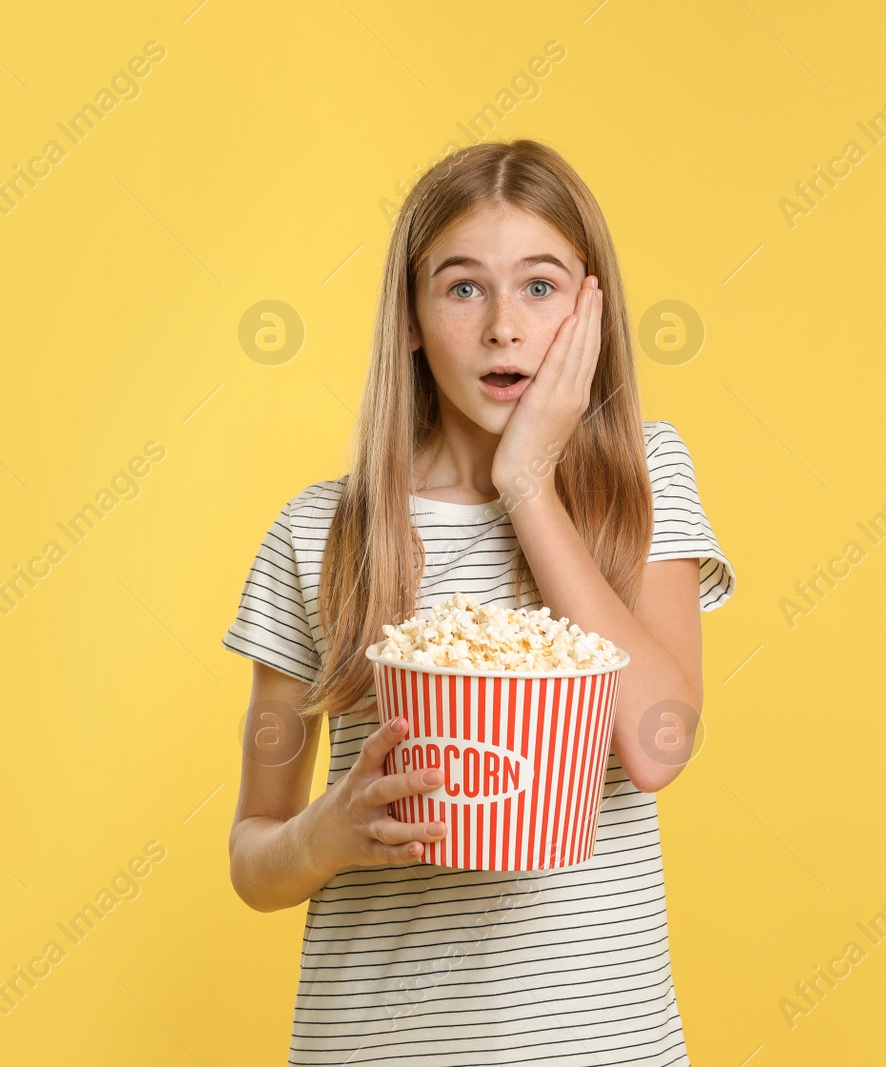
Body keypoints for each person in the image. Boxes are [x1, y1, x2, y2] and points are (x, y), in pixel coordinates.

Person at [223, 137, 735, 1066]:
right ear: (411, 318)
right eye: (463, 288)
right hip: (375, 1044)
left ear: (591, 307)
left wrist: (530, 484)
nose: (504, 325)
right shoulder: (320, 535)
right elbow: (254, 861)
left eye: (540, 286)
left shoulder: (644, 478)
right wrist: (327, 831)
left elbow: (658, 747)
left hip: (598, 1045)